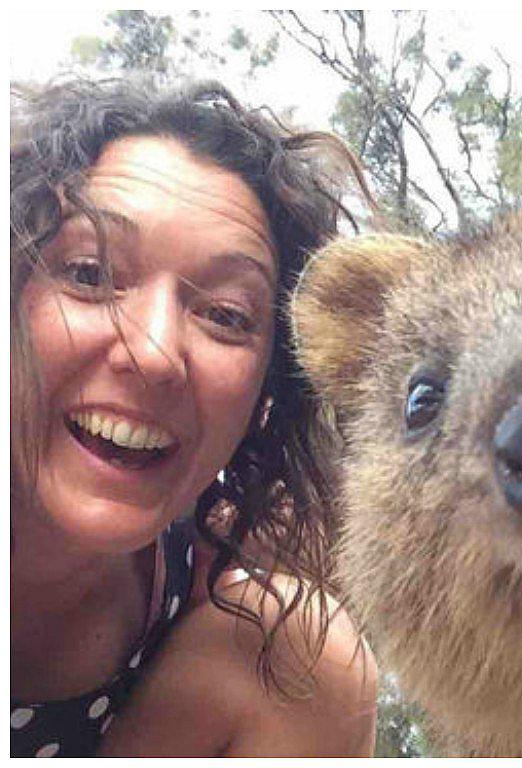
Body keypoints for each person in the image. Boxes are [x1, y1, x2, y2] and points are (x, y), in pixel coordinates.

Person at [10, 77, 377, 757]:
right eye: (90, 274)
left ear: (268, 392)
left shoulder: (258, 636)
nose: (154, 354)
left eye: (226, 316)